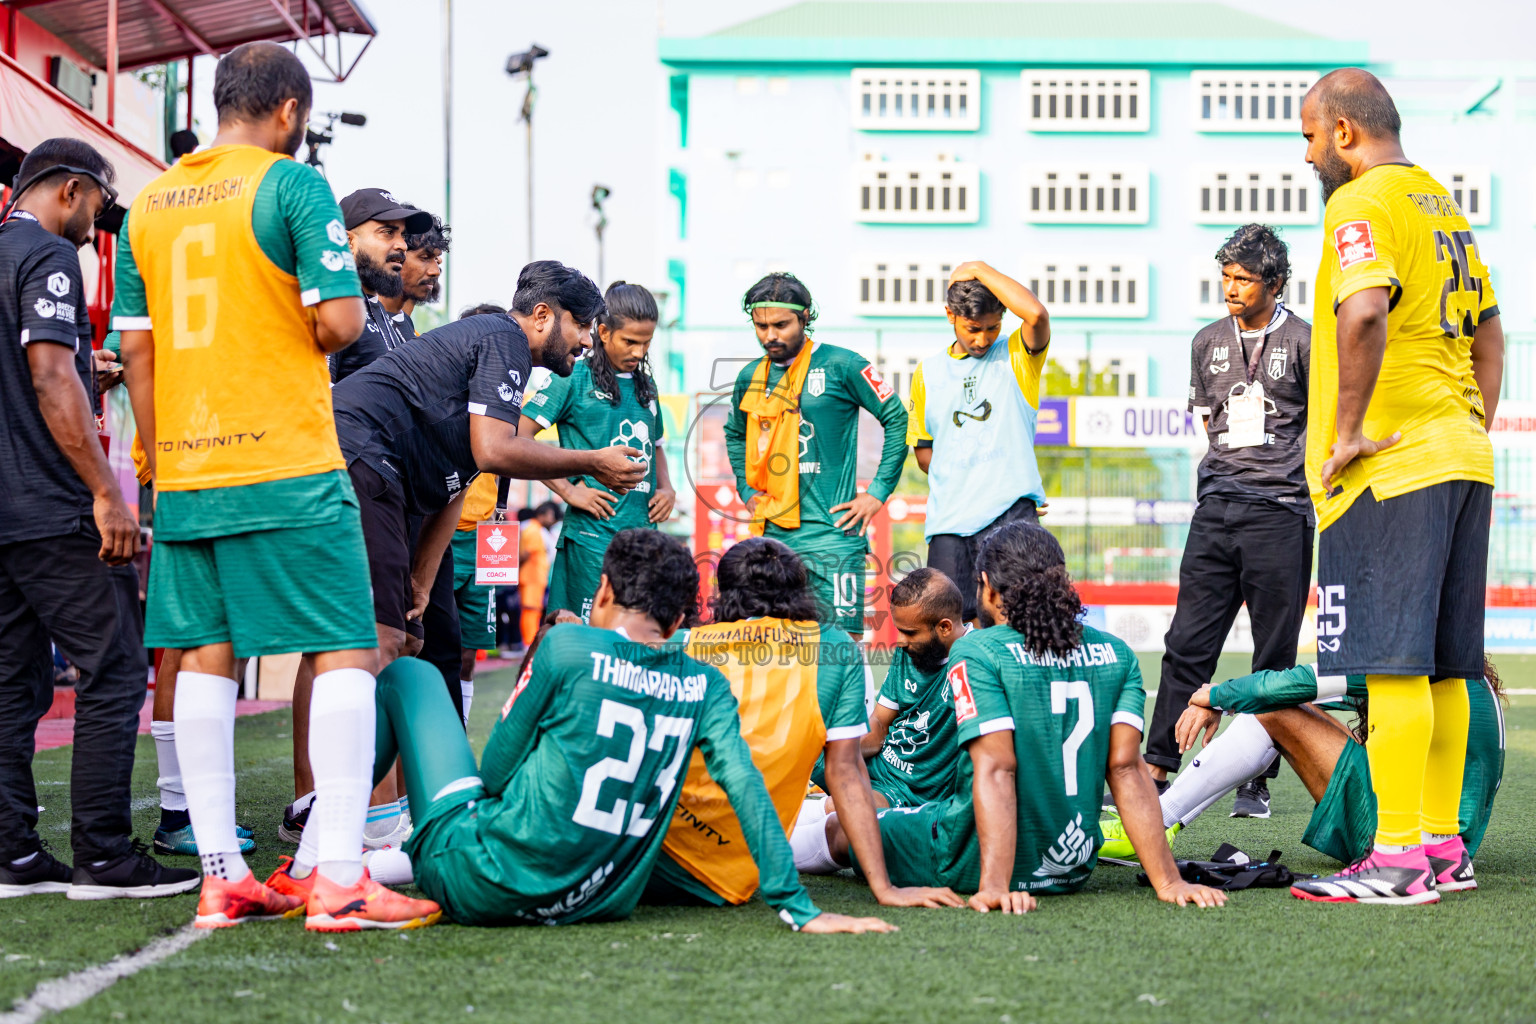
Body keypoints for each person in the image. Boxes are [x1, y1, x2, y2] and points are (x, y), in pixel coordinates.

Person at [113, 42, 436, 930]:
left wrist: (155, 456)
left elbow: (134, 350)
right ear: (291, 112)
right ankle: (339, 875)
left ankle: (223, 873)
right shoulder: (292, 188)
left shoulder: (148, 203)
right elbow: (338, 323)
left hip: (185, 461)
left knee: (205, 651)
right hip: (287, 455)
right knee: (340, 642)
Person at [274, 264, 648, 863]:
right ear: (546, 315)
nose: (585, 343)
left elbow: (462, 479)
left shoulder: (497, 365)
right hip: (354, 455)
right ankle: (339, 831)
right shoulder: (503, 337)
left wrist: (421, 578)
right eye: (583, 327)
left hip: (372, 471)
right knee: (372, 644)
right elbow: (493, 450)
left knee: (401, 638)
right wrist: (592, 463)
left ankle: (355, 820)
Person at [359, 528, 896, 934]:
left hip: (488, 878)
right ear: (683, 614)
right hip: (605, 891)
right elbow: (750, 784)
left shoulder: (571, 648)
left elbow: (496, 774)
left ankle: (331, 857)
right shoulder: (704, 681)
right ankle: (380, 859)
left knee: (412, 673)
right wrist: (797, 906)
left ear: (606, 589)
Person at [1297, 68, 1502, 904]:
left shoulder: (1362, 201)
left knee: (1391, 668)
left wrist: (1347, 432)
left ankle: (1395, 857)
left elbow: (1365, 310)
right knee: (1449, 668)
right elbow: (1492, 334)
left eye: (1309, 133)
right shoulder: (1442, 207)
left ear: (1345, 132)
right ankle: (1442, 848)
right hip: (1458, 457)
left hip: (1392, 471)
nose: (1306, 151)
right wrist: (1466, 426)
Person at [824, 524, 1227, 912]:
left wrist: (995, 886)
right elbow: (1127, 771)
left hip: (975, 858)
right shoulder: (1117, 654)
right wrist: (1169, 881)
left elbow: (996, 769)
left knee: (843, 831)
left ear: (988, 587)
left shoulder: (979, 652)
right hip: (1070, 866)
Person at [0, 139, 196, 901]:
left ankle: (13, 854)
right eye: (101, 209)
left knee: (13, 685)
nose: (99, 227)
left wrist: (88, 368)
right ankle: (105, 857)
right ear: (72, 191)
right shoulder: (47, 256)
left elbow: (40, 373)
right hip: (50, 507)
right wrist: (106, 495)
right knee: (113, 669)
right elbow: (47, 378)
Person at [645, 538, 961, 911]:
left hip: (637, 852)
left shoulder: (678, 645)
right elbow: (847, 773)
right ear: (801, 590)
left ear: (724, 593)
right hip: (730, 874)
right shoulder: (837, 650)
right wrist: (884, 888)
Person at [1143, 224, 1313, 817]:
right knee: (1186, 642)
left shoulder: (1307, 342)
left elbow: (1320, 427)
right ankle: (1157, 766)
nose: (1231, 288)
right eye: (1226, 277)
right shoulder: (1205, 340)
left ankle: (1255, 779)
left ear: (1275, 282)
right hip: (1216, 508)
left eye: (1243, 279)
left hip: (1283, 512)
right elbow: (1208, 423)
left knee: (1274, 657)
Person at [1104, 659, 1503, 901]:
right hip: (1449, 846)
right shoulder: (1461, 668)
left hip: (1400, 836)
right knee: (1286, 705)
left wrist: (1215, 696)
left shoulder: (1408, 647)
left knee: (1273, 712)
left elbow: (1299, 684)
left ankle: (1152, 821)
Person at [725, 273, 908, 638]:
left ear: (805, 317)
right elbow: (735, 433)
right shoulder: (750, 376)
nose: (769, 335)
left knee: (842, 644)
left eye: (780, 324)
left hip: (833, 534)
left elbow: (897, 417)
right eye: (760, 326)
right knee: (776, 642)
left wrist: (877, 492)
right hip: (773, 534)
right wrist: (747, 490)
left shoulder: (843, 364)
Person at [520, 281, 676, 621]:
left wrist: (666, 487)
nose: (639, 351)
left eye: (646, 342)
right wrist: (569, 490)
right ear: (603, 332)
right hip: (592, 537)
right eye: (630, 341)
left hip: (643, 539)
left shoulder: (646, 386)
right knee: (581, 634)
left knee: (637, 638)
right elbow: (519, 435)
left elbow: (658, 445)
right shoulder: (573, 377)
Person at [908, 262, 1050, 624]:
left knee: (1018, 618)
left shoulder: (1017, 357)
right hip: (949, 522)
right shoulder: (927, 373)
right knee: (945, 625)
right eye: (973, 329)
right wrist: (969, 475)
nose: (983, 339)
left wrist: (976, 268)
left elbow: (1034, 313)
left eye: (993, 328)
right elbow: (925, 452)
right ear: (950, 316)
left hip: (1010, 513)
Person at [329, 187, 432, 383]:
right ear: (348, 241)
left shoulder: (391, 319)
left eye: (402, 234)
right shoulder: (334, 308)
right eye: (387, 233)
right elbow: (318, 397)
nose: (402, 244)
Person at [381, 209, 447, 338]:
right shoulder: (357, 325)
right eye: (424, 257)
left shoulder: (414, 338)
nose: (436, 272)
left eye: (436, 259)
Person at [520, 504, 556, 643]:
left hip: (534, 577)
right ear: (541, 515)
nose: (551, 519)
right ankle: (529, 643)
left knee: (533, 610)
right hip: (532, 577)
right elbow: (525, 554)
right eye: (550, 515)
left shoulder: (535, 529)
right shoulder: (533, 530)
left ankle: (529, 642)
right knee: (531, 610)